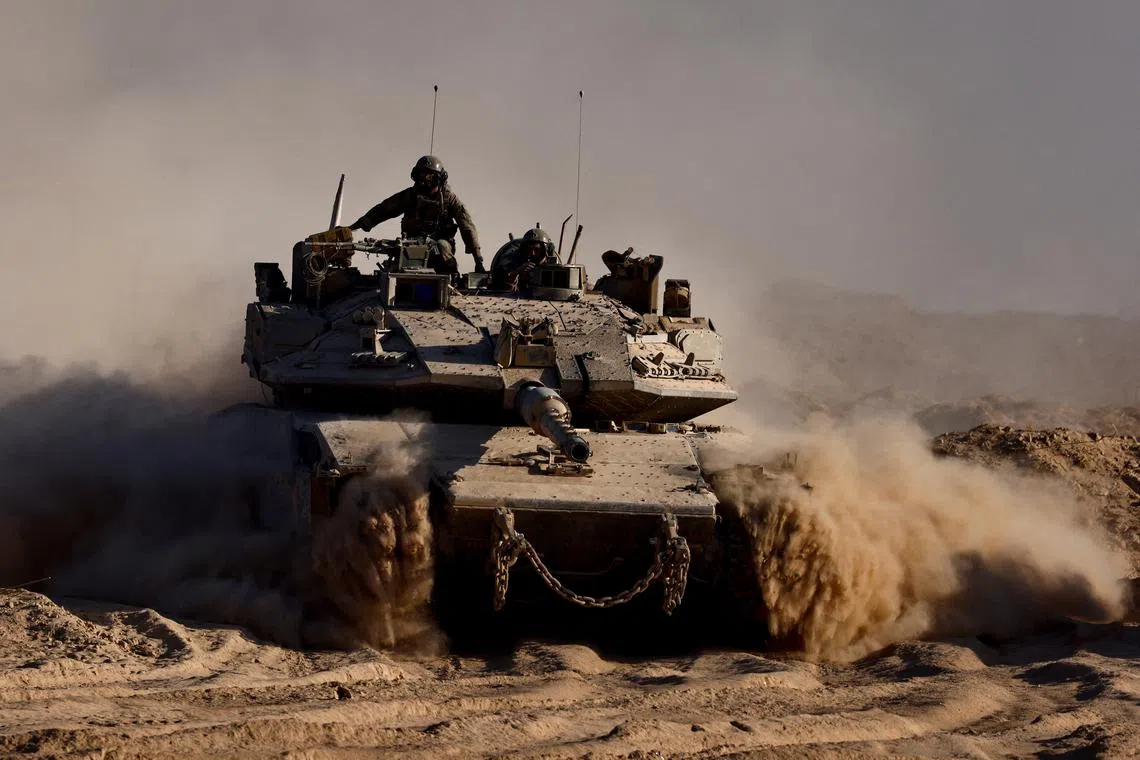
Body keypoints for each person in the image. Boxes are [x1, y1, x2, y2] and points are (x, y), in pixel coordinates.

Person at [347, 155, 485, 274]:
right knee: (401, 250)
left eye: (429, 174)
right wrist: (352, 228)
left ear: (439, 178)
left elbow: (467, 227)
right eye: (421, 174)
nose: (424, 178)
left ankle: (449, 277)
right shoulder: (410, 196)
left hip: (441, 244)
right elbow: (383, 210)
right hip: (412, 243)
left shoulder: (450, 200)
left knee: (442, 247)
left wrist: (478, 261)